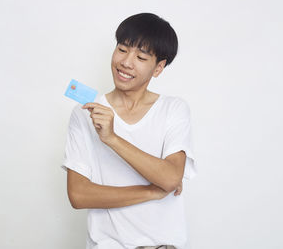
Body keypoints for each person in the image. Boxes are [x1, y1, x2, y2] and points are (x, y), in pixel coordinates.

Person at [62, 13, 196, 249]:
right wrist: (151, 192)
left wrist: (112, 139)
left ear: (158, 68)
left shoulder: (173, 109)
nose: (126, 62)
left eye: (141, 56)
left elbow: (170, 177)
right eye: (122, 49)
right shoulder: (85, 112)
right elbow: (78, 195)